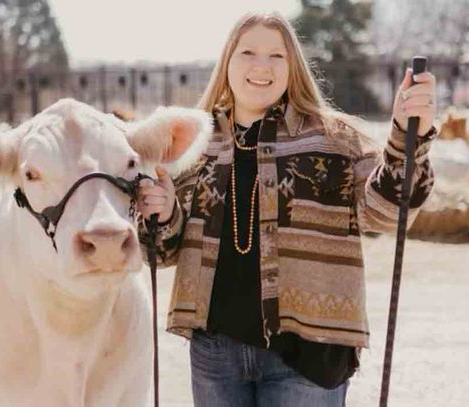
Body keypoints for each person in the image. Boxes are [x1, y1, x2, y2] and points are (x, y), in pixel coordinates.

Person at [137, 10, 437, 407]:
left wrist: (406, 136)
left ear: (292, 66)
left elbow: (385, 211)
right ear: (227, 62)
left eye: (276, 56)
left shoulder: (335, 140)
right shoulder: (195, 146)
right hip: (215, 354)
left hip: (309, 355)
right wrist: (161, 213)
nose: (262, 66)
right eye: (248, 52)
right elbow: (162, 251)